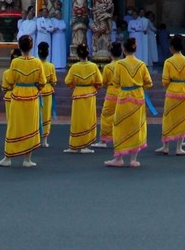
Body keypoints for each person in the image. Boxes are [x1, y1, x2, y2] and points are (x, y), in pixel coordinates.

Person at [0, 34, 43, 168]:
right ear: (31, 46)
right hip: (32, 96)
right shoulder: (37, 62)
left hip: (17, 96)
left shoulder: (15, 62)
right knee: (30, 125)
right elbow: (42, 82)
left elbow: (10, 81)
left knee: (14, 125)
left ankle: (8, 157)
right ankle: (27, 159)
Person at [105, 36, 152, 168]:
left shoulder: (120, 64)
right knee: (136, 126)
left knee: (119, 125)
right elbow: (149, 83)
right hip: (138, 97)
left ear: (124, 50)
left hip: (124, 97)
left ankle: (118, 157)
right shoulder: (141, 64)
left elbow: (115, 82)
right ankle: (133, 159)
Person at [157, 35, 185, 156]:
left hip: (172, 91)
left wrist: (170, 86)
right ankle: (179, 147)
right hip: (184, 92)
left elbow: (165, 81)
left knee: (168, 118)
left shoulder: (168, 62)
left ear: (171, 47)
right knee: (182, 119)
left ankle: (165, 146)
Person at [63, 43, 101, 153]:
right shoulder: (93, 66)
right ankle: (85, 146)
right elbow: (99, 82)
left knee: (76, 119)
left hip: (78, 93)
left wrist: (74, 86)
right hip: (89, 93)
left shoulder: (74, 67)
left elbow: (68, 82)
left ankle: (74, 146)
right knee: (87, 119)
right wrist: (93, 87)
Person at [94, 41, 122, 149]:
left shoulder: (108, 67)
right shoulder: (123, 65)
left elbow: (103, 82)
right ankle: (120, 138)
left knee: (106, 116)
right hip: (122, 92)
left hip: (111, 92)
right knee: (120, 116)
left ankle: (104, 140)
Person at [37, 41, 56, 147]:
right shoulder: (50, 66)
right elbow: (54, 81)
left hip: (36, 91)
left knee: (37, 114)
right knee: (45, 114)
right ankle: (44, 140)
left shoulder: (35, 63)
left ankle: (36, 138)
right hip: (47, 92)